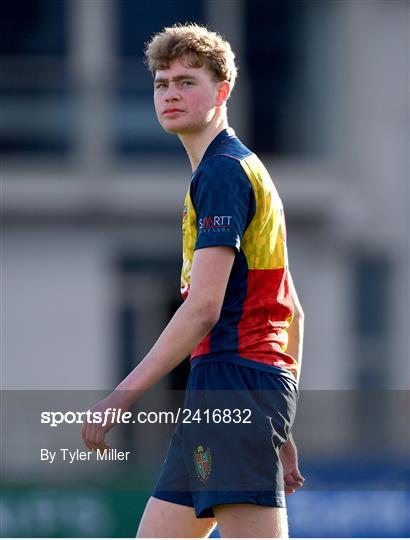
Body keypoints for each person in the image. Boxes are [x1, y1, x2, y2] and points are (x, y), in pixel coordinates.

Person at [82, 23, 305, 538]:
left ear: (222, 91)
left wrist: (121, 395)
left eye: (187, 81)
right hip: (231, 386)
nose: (171, 94)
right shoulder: (235, 168)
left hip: (235, 382)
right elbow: (291, 308)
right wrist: (282, 418)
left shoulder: (223, 172)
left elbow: (204, 308)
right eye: (162, 84)